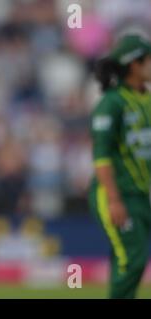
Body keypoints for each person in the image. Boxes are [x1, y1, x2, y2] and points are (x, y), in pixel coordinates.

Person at [90, 34, 151, 298]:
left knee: (125, 256)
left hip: (140, 194)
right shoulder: (112, 103)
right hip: (115, 194)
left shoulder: (147, 99)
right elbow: (101, 156)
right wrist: (114, 200)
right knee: (134, 259)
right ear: (135, 64)